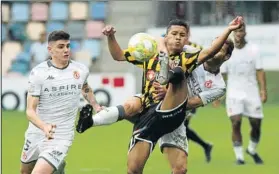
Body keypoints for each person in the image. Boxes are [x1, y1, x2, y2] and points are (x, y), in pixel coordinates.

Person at [77, 17, 243, 174]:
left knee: (180, 169)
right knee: (132, 112)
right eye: (174, 34)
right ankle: (91, 121)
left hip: (174, 116)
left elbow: (191, 103)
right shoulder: (155, 52)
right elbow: (125, 52)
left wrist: (169, 94)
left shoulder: (199, 67)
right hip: (148, 106)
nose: (178, 38)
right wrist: (112, 37)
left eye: (182, 35)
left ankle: (97, 118)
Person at [20, 30, 102, 174]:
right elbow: (30, 111)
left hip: (61, 135)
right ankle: (58, 168)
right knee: (25, 172)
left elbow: (85, 87)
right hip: (36, 132)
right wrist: (43, 126)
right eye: (61, 46)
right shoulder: (38, 73)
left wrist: (96, 106)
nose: (66, 50)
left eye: (68, 46)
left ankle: (55, 164)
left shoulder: (80, 70)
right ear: (50, 50)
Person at [220, 24, 267, 165]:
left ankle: (252, 150)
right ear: (232, 34)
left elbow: (260, 71)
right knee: (236, 122)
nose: (239, 33)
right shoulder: (227, 51)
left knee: (256, 124)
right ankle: (239, 158)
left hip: (251, 92)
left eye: (241, 30)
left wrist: (263, 90)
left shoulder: (254, 50)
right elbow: (222, 74)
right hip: (233, 93)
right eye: (236, 31)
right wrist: (218, 94)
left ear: (245, 32)